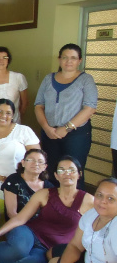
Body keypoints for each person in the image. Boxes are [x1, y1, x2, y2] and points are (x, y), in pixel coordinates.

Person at [44, 178, 117, 263]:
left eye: (111, 198)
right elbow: (75, 246)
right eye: (99, 195)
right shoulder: (92, 214)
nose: (103, 201)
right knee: (51, 252)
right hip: (90, 258)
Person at [35, 43, 97, 188]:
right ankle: (53, 207)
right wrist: (46, 127)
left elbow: (90, 108)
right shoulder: (48, 79)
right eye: (65, 57)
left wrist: (66, 128)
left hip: (76, 135)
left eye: (73, 58)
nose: (69, 61)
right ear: (59, 59)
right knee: (51, 172)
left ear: (79, 61)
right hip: (50, 133)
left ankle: (74, 209)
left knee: (73, 172)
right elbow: (38, 105)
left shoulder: (86, 80)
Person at [0, 99, 41, 220]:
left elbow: (38, 160)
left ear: (13, 115)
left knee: (15, 223)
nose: (3, 116)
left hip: (18, 188)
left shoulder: (23, 131)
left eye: (8, 113)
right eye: (0, 111)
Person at [2, 149, 53, 220]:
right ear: (23, 163)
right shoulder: (13, 180)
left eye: (40, 161)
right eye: (31, 160)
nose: (36, 164)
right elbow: (11, 213)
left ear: (45, 167)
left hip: (42, 226)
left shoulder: (49, 187)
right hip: (18, 224)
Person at [0, 46, 28, 123]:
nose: (1, 60)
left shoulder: (18, 77)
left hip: (13, 123)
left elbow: (24, 102)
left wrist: (17, 118)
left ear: (8, 61)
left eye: (5, 57)